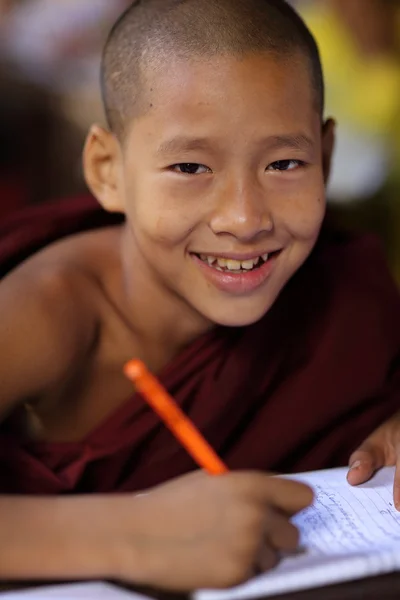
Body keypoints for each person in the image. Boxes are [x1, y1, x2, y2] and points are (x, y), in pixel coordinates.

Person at [0, 0, 399, 591]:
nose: (244, 218)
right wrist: (132, 535)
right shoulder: (50, 311)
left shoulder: (340, 285)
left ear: (327, 156)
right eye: (190, 167)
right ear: (108, 170)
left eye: (286, 162)